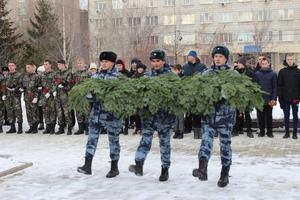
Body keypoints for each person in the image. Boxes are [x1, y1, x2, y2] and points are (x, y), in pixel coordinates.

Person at [128, 50, 176, 182]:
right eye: (153, 61)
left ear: (163, 61)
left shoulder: (171, 77)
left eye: (158, 61)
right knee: (145, 141)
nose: (155, 63)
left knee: (164, 144)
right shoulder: (147, 76)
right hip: (149, 117)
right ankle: (139, 165)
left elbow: (177, 96)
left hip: (165, 118)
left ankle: (165, 170)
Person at [192, 46, 236, 188]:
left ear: (226, 58)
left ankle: (224, 174)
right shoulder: (207, 74)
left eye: (220, 56)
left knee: (225, 146)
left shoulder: (233, 75)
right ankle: (202, 169)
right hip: (209, 117)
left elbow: (238, 94)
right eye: (215, 56)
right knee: (205, 143)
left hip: (226, 117)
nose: (217, 59)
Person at [77, 51, 123, 178]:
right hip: (96, 114)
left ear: (112, 63)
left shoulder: (118, 78)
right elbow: (88, 94)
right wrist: (92, 96)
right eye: (102, 62)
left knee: (113, 141)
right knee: (91, 139)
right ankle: (87, 166)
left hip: (112, 116)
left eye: (106, 62)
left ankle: (114, 168)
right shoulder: (95, 77)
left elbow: (121, 97)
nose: (103, 64)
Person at [182, 50, 207, 139]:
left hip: (198, 92)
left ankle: (198, 130)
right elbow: (182, 77)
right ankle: (187, 128)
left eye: (190, 56)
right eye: (188, 56)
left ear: (195, 57)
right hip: (188, 92)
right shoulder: (184, 67)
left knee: (198, 112)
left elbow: (206, 78)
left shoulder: (202, 66)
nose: (188, 57)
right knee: (188, 111)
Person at [278, 54, 300, 139]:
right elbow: (279, 86)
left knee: (295, 116)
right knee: (286, 116)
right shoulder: (282, 72)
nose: (290, 61)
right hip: (285, 99)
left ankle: (294, 133)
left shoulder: (298, 71)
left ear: (293, 60)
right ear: (286, 60)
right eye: (288, 59)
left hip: (295, 98)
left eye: (291, 59)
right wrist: (280, 98)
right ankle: (287, 133)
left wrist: (298, 97)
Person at [254, 57, 277, 138]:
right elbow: (255, 87)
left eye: (266, 63)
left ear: (269, 64)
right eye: (262, 64)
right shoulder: (257, 74)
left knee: (269, 116)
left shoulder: (273, 74)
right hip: (259, 99)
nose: (264, 65)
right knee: (260, 117)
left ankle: (270, 132)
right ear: (260, 64)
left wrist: (274, 98)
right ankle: (262, 132)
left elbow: (275, 87)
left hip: (269, 99)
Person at [233, 58, 255, 138]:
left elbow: (254, 82)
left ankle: (249, 131)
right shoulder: (235, 72)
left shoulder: (249, 72)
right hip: (237, 96)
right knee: (237, 114)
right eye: (238, 63)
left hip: (247, 96)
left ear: (243, 64)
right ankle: (236, 130)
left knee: (247, 114)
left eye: (240, 63)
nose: (239, 65)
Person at [54, 60, 73, 135]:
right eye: (58, 64)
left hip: (65, 95)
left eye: (59, 64)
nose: (58, 66)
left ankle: (69, 128)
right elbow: (54, 83)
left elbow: (69, 83)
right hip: (58, 95)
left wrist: (64, 85)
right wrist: (54, 90)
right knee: (59, 112)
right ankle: (61, 127)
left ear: (63, 65)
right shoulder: (57, 73)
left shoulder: (68, 73)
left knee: (67, 112)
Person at [4, 62, 23, 134]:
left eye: (12, 65)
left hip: (16, 96)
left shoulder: (19, 75)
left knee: (18, 111)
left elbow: (21, 85)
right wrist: (4, 94)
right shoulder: (6, 75)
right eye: (9, 66)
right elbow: (4, 86)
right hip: (8, 96)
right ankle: (12, 127)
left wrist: (15, 89)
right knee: (10, 112)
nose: (10, 67)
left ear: (15, 66)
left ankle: (20, 128)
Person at [73, 58, 90, 135]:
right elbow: (72, 83)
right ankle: (80, 129)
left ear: (84, 63)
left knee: (86, 112)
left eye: (81, 63)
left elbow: (91, 84)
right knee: (78, 112)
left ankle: (87, 128)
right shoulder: (75, 74)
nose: (79, 65)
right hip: (78, 95)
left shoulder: (88, 73)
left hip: (86, 95)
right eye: (78, 63)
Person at [22, 63, 41, 134]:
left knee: (34, 113)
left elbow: (39, 88)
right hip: (27, 97)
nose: (27, 69)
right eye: (26, 67)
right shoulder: (25, 76)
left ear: (33, 68)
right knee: (28, 113)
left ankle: (35, 127)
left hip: (33, 98)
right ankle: (31, 126)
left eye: (29, 67)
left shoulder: (37, 76)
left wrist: (36, 97)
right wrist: (21, 88)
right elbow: (23, 85)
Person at [40, 60, 57, 134]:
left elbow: (55, 84)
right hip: (44, 95)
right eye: (44, 64)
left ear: (50, 65)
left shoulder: (54, 74)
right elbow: (41, 84)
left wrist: (50, 92)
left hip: (51, 96)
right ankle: (48, 127)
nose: (45, 66)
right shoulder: (42, 74)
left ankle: (52, 128)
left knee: (52, 111)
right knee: (45, 111)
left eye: (46, 64)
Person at [172, 64, 184, 139]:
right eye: (174, 70)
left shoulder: (183, 77)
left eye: (176, 70)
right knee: (175, 117)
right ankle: (176, 131)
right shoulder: (173, 78)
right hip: (175, 99)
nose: (174, 72)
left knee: (180, 117)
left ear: (179, 70)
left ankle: (181, 131)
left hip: (181, 100)